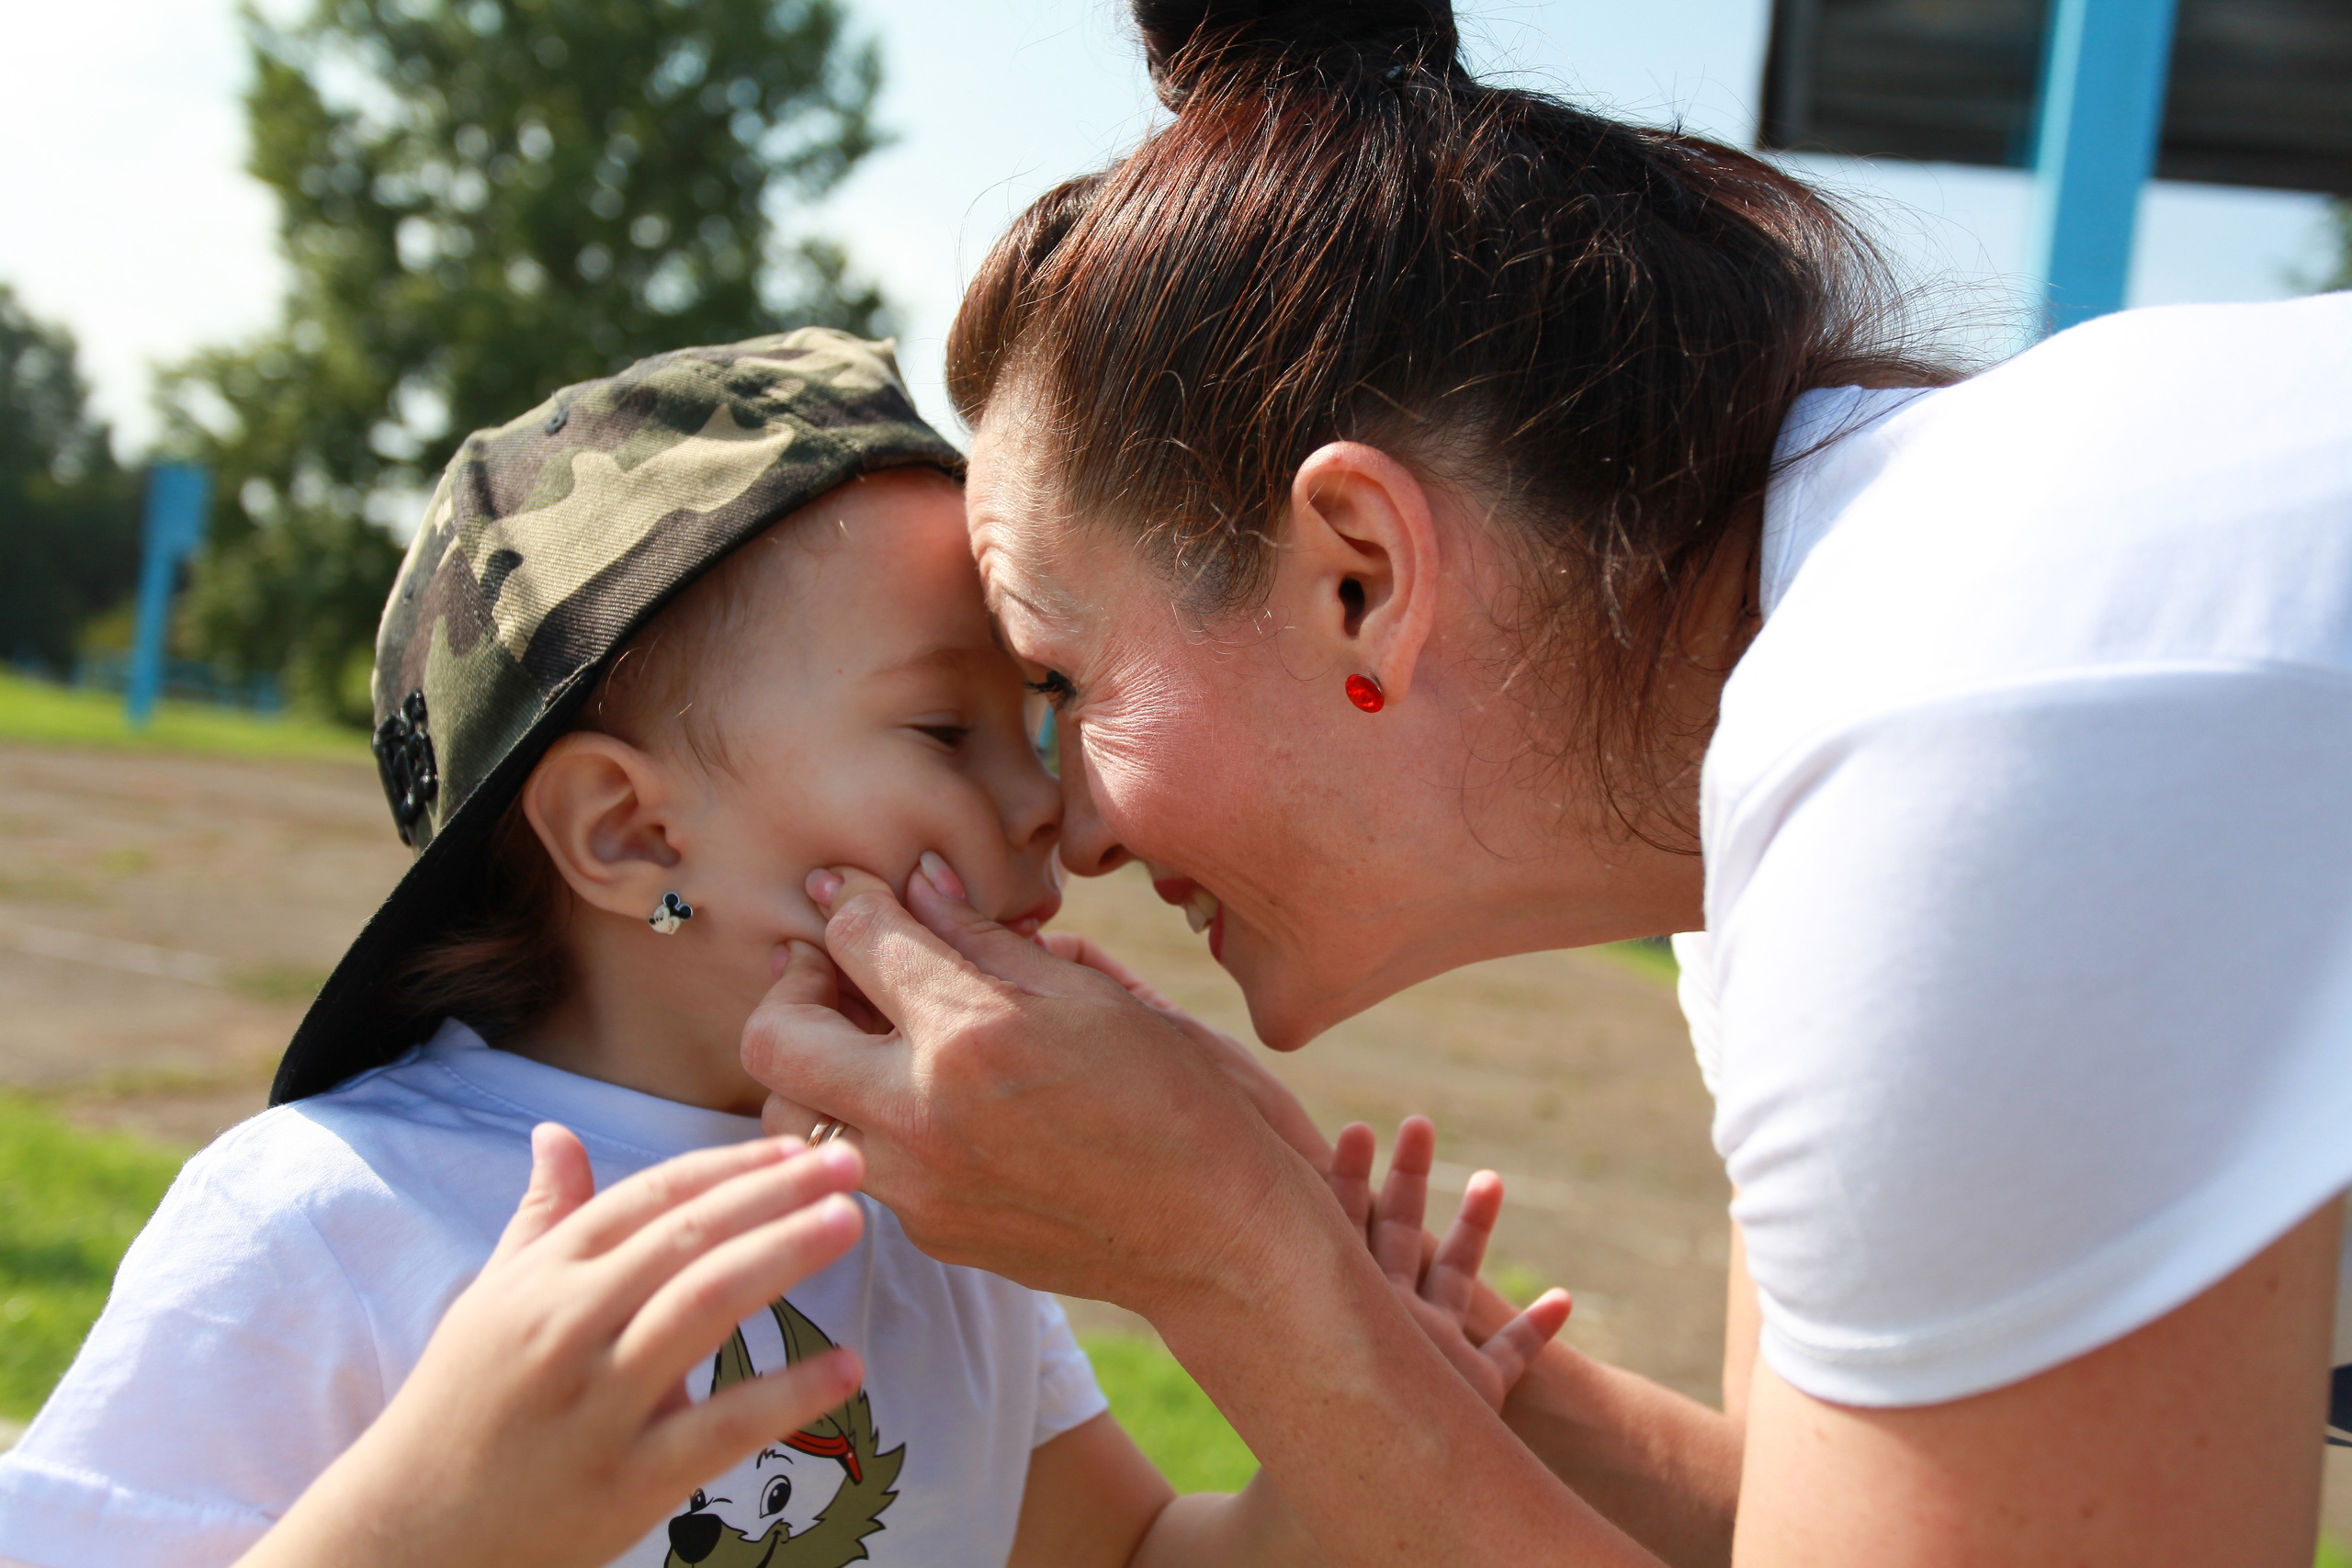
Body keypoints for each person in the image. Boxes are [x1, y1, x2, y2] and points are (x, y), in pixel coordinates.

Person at [735, 6, 2352, 1565]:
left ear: (1359, 576)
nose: (1070, 829)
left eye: (1064, 684)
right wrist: (1282, 1219)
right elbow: (1805, 1522)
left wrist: (1225, 1256)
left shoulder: (1959, 733)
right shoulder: (1829, 754)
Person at [0, 329, 1567, 1568]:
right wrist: (425, 1529)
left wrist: (1363, 1414)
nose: (1049, 802)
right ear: (630, 837)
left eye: (1036, 716)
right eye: (945, 727)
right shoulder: (328, 1224)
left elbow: (1132, 1554)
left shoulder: (936, 1208)